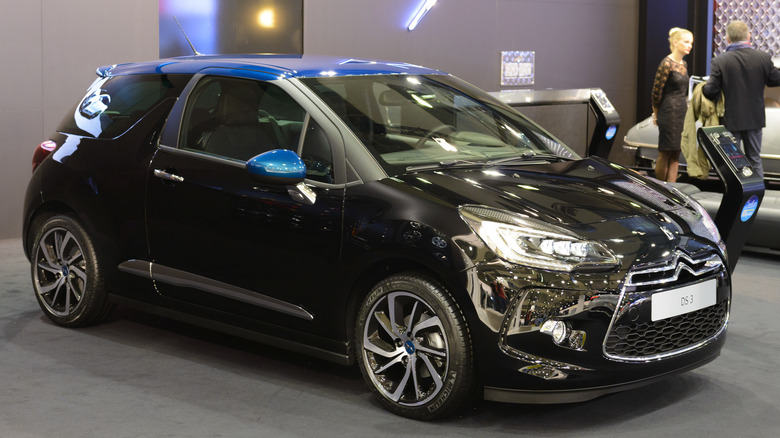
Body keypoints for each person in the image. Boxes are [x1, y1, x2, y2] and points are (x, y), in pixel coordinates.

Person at [702, 20, 780, 181]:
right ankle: (757, 195)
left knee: (732, 161)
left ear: (728, 38)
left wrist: (702, 87)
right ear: (748, 36)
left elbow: (710, 92)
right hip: (755, 119)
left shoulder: (720, 61)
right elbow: (775, 79)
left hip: (731, 120)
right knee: (754, 158)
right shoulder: (763, 58)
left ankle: (736, 195)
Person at [651, 27, 693, 183]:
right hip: (668, 111)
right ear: (675, 42)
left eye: (691, 43)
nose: (690, 45)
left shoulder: (683, 64)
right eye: (686, 42)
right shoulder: (666, 63)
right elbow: (656, 93)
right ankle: (661, 189)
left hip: (681, 110)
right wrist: (656, 114)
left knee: (676, 152)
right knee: (666, 151)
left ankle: (672, 189)